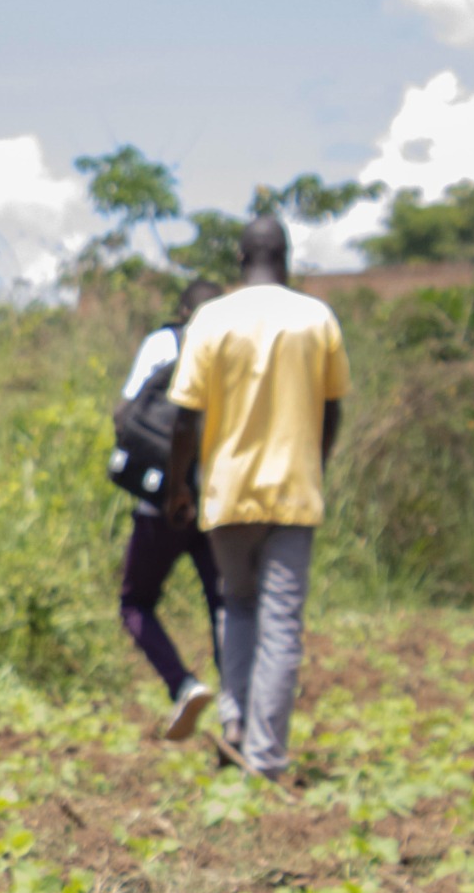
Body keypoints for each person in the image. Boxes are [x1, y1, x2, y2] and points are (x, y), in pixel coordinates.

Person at [165, 215, 348, 780]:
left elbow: (185, 416)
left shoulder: (212, 319)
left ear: (241, 261)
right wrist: (315, 462)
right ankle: (266, 757)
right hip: (293, 494)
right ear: (286, 258)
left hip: (227, 492)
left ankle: (237, 725)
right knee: (281, 624)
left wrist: (178, 484)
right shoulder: (316, 318)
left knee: (237, 607)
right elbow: (332, 407)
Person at [112, 278, 231, 740]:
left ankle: (182, 683)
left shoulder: (164, 343)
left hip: (161, 498)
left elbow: (126, 414)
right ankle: (236, 713)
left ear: (183, 311)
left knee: (135, 602)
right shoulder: (234, 351)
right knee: (223, 608)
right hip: (217, 501)